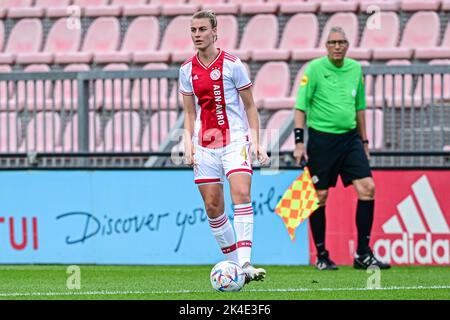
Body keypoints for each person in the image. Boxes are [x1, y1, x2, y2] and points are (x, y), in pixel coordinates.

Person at [179, 10, 269, 283]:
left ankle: (245, 262)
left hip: (234, 140)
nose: (197, 35)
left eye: (202, 29)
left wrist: (256, 141)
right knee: (212, 206)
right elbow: (189, 113)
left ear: (214, 31)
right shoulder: (186, 70)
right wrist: (188, 145)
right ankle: (236, 268)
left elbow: (250, 106)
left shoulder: (233, 64)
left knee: (241, 194)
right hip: (204, 145)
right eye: (193, 30)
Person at [293, 27, 390, 271]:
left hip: (350, 139)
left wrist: (364, 141)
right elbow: (300, 107)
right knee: (320, 195)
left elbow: (359, 108)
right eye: (333, 42)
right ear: (326, 46)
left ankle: (363, 253)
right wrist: (298, 142)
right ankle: (322, 254)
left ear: (348, 45)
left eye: (342, 42)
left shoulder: (355, 69)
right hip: (321, 140)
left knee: (367, 188)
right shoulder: (314, 69)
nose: (337, 46)